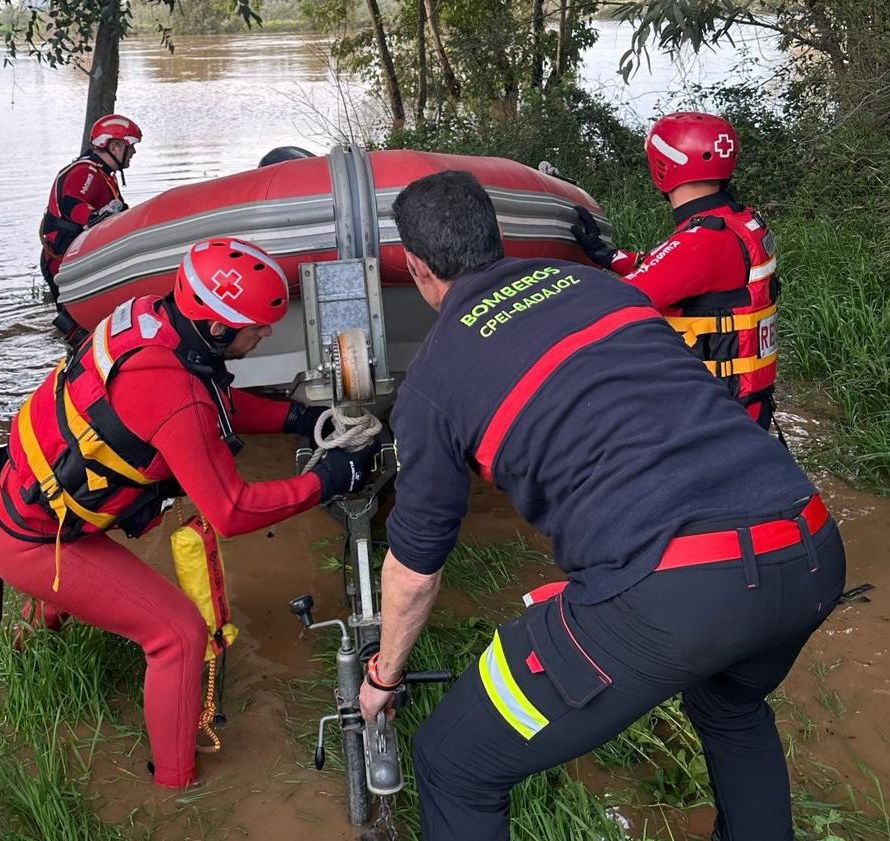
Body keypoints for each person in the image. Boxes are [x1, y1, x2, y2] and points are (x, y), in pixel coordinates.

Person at [357, 171, 846, 841]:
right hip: (809, 540)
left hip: (676, 592)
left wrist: (384, 675)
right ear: (496, 238)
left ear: (415, 266)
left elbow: (414, 569)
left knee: (454, 759)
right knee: (732, 707)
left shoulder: (434, 381)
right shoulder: (602, 287)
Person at [0, 237, 376, 789]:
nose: (266, 335)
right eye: (257, 328)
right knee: (179, 635)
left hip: (19, 498)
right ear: (216, 329)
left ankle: (41, 642)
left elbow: (212, 403)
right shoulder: (173, 391)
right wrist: (328, 479)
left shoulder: (153, 320)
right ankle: (177, 786)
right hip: (37, 542)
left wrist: (297, 418)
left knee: (104, 579)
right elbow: (231, 511)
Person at [571, 112, 781, 429]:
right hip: (746, 406)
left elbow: (614, 302)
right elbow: (675, 270)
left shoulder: (703, 240)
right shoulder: (737, 221)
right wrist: (608, 256)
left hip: (714, 415)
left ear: (664, 167)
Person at [39, 114, 140, 330]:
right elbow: (71, 203)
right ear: (114, 147)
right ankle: (75, 354)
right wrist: (93, 218)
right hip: (63, 259)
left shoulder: (104, 174)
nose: (133, 152)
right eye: (130, 146)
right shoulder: (87, 171)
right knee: (75, 324)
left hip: (77, 258)